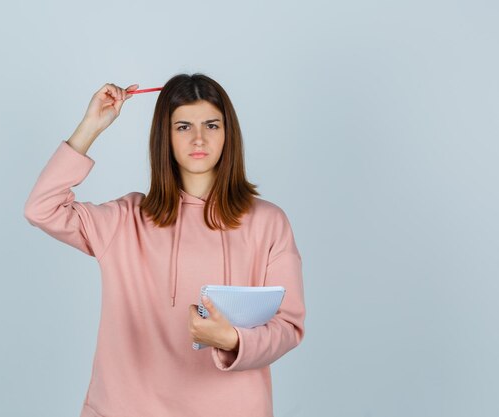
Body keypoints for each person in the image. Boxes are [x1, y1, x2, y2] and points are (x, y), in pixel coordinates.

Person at [24, 73, 306, 417]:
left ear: (228, 133)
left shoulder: (267, 222)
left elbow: (288, 326)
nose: (199, 138)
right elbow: (42, 208)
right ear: (166, 136)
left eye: (212, 125)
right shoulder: (126, 220)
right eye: (183, 127)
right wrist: (90, 127)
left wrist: (233, 340)